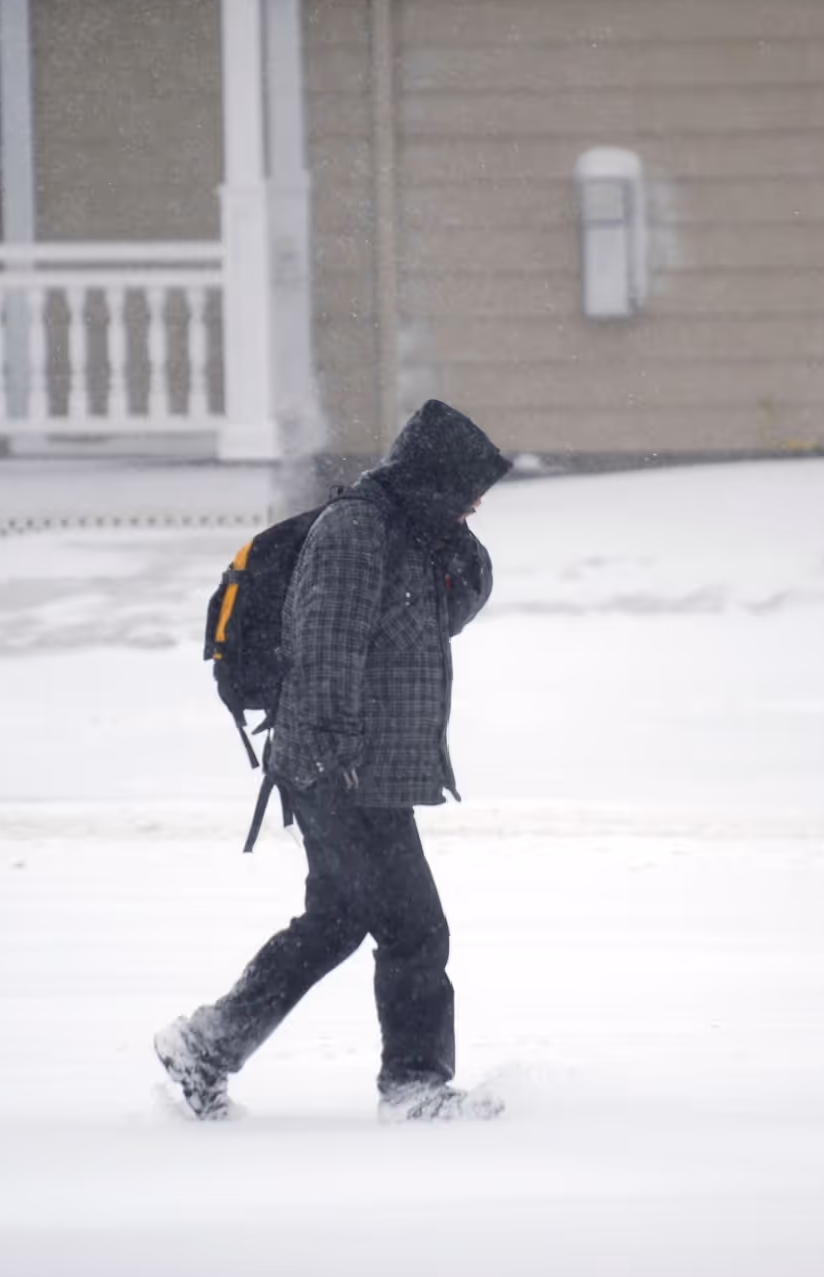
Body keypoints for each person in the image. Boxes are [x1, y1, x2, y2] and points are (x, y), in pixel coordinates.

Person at [157, 400, 512, 1122]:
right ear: (434, 478)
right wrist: (334, 759)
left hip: (360, 766)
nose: (476, 503)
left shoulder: (413, 531)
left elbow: (443, 615)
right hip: (344, 769)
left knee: (336, 921)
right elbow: (326, 647)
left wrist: (457, 541)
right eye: (467, 488)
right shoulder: (355, 532)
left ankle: (206, 1045)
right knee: (415, 928)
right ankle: (414, 1087)